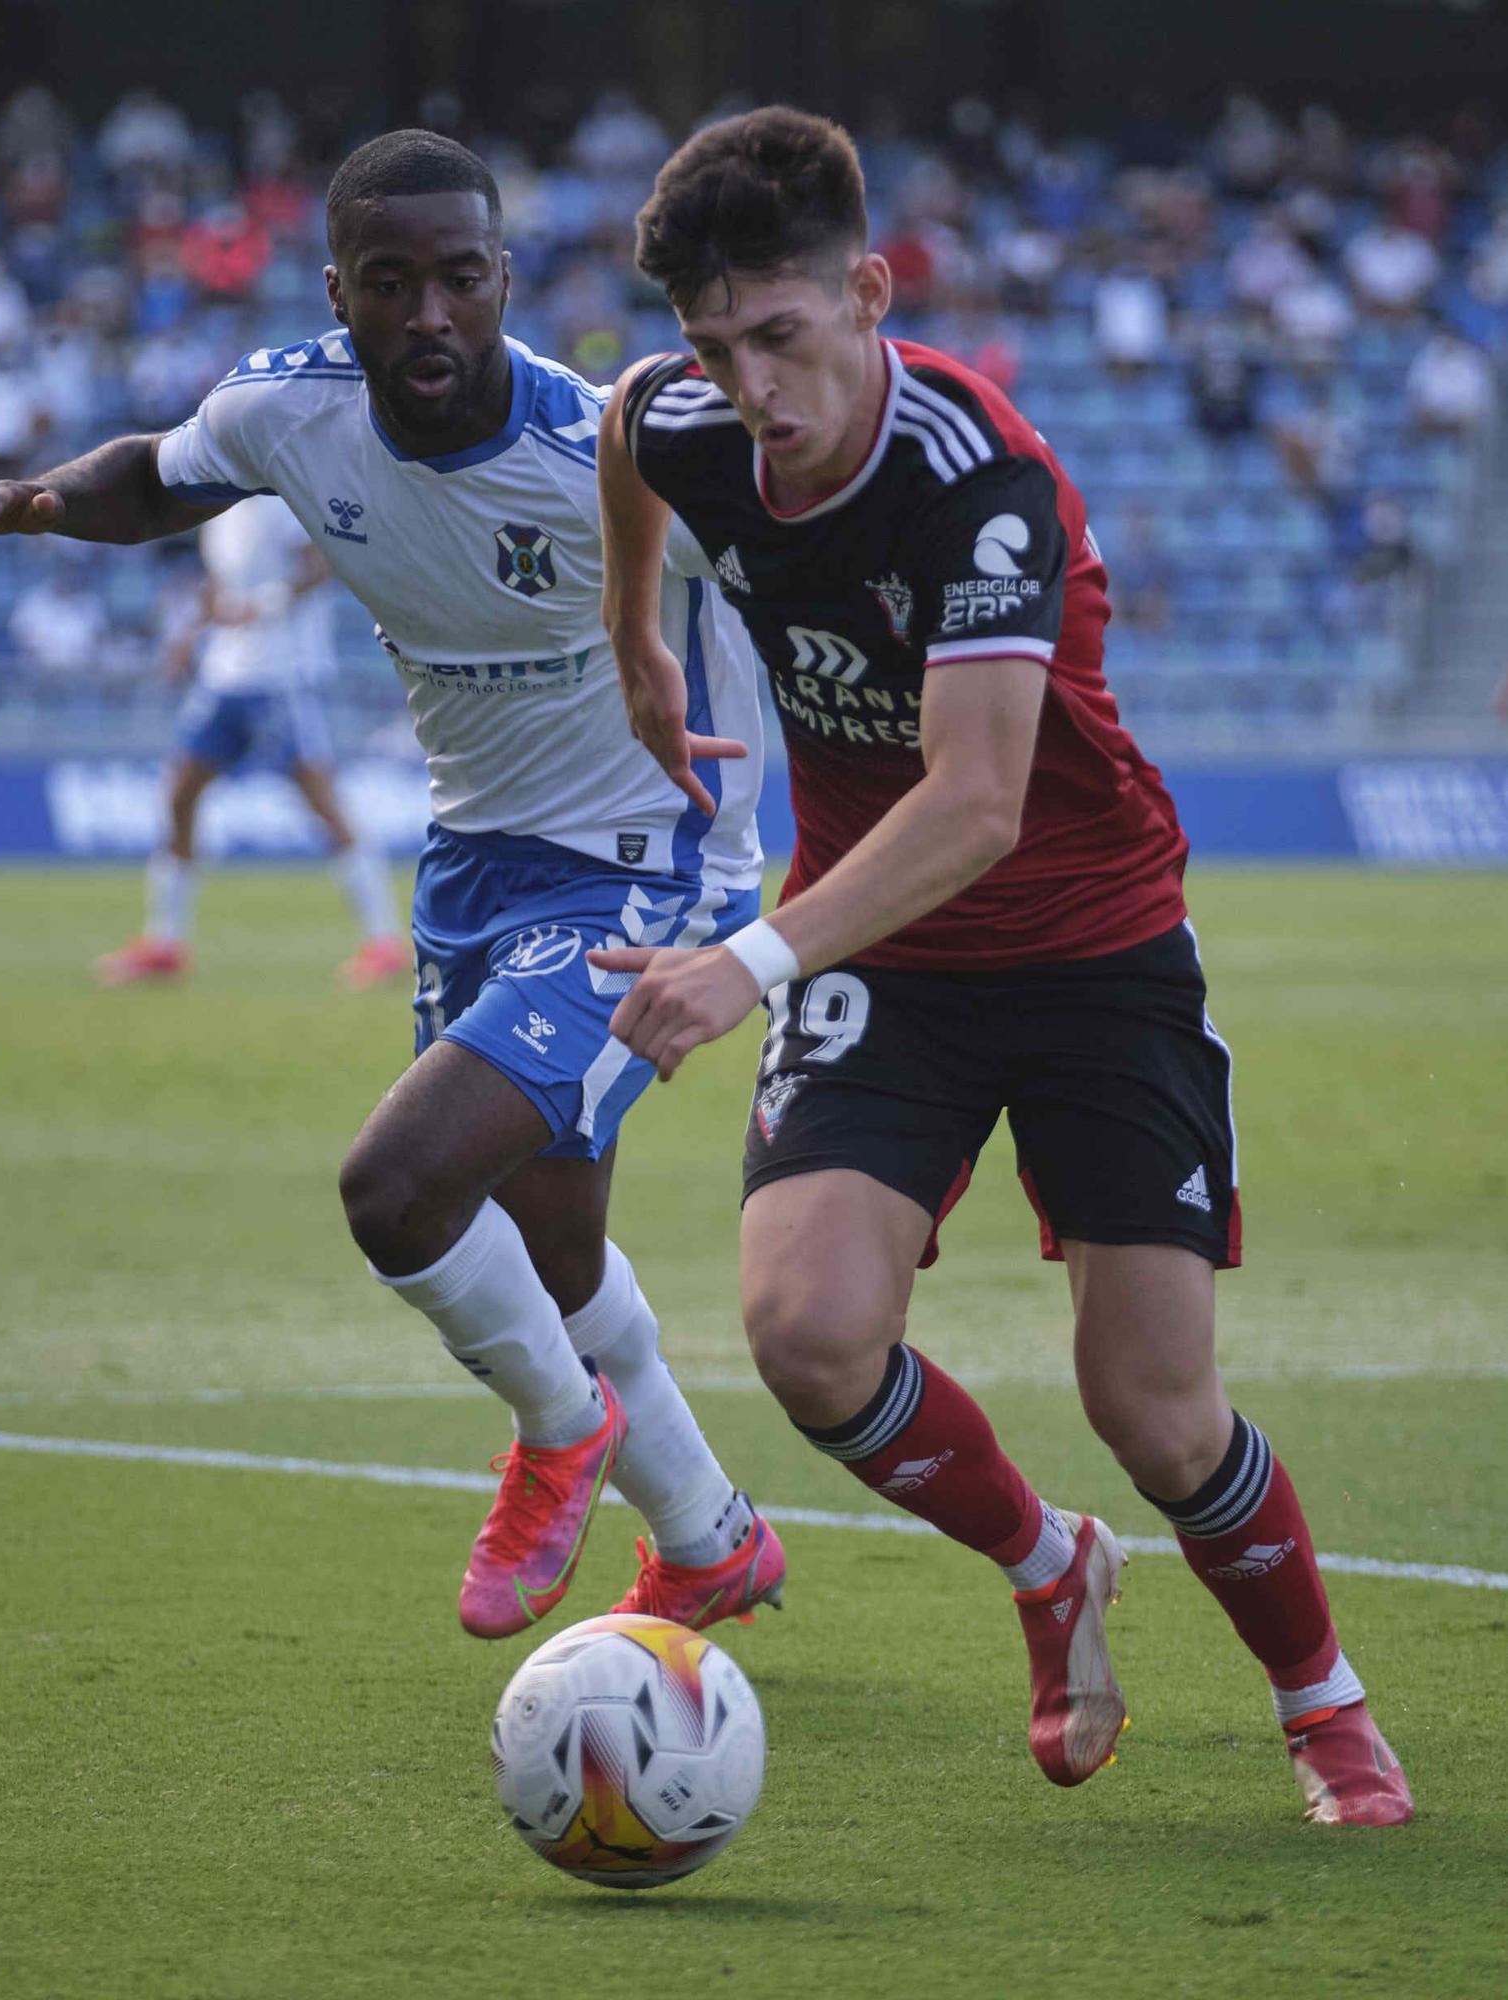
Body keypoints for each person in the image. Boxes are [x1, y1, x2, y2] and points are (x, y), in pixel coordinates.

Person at [589, 106, 1410, 1826]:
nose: (751, 385)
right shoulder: (684, 417)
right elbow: (626, 434)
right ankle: (1047, 1571)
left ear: (870, 292)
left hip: (1088, 945)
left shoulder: (980, 489)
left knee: (1155, 1410)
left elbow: (970, 805)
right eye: (717, 345)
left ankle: (1315, 1700)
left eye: (785, 337)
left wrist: (740, 957)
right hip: (881, 956)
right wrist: (637, 644)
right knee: (805, 1335)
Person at [0, 129, 783, 1641]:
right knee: (550, 1250)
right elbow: (161, 480)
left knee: (400, 1186)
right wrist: (41, 496)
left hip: (651, 857)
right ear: (340, 292)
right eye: (391, 284)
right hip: (474, 859)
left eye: (458, 279)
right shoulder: (286, 410)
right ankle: (706, 1540)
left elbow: (814, 569)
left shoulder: (612, 457)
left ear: (504, 281)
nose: (428, 313)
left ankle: (561, 1439)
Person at [92, 492, 411, 990]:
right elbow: (221, 591)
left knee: (320, 800)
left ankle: (385, 942)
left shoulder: (285, 502)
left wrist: (262, 606)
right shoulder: (217, 511)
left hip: (282, 674)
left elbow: (321, 566)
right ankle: (165, 941)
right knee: (180, 792)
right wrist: (191, 637)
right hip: (226, 674)